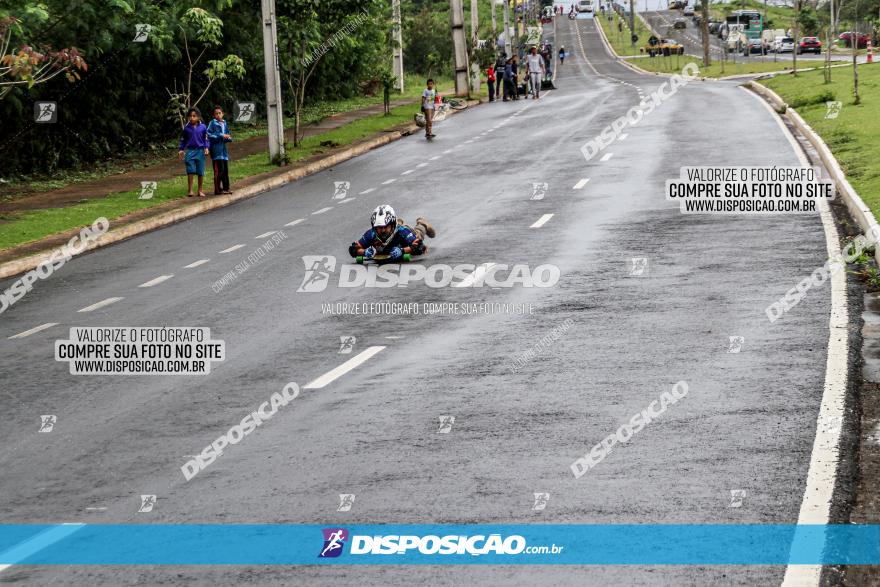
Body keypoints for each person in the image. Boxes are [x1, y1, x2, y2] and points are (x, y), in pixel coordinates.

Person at [348, 205, 436, 261]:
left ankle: (422, 224)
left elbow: (419, 247)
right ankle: (400, 221)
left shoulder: (402, 231)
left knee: (418, 234)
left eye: (386, 227)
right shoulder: (371, 234)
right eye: (379, 228)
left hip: (405, 236)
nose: (382, 231)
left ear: (392, 225)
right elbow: (353, 249)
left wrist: (402, 251)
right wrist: (364, 252)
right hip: (393, 238)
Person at [178, 107, 210, 198]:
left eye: (194, 116)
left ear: (198, 117)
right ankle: (190, 190)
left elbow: (206, 139)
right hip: (190, 151)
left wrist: (207, 148)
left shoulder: (203, 127)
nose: (192, 118)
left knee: (200, 171)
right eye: (190, 116)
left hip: (200, 151)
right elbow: (183, 140)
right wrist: (181, 149)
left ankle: (200, 190)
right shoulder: (186, 128)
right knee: (190, 171)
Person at [207, 105, 233, 195]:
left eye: (219, 113)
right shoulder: (212, 123)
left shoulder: (224, 123)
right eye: (216, 114)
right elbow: (208, 134)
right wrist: (220, 135)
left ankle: (226, 188)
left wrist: (228, 137)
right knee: (219, 170)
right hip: (216, 150)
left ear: (223, 114)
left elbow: (227, 133)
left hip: (223, 150)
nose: (218, 115)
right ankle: (217, 189)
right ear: (214, 115)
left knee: (225, 170)